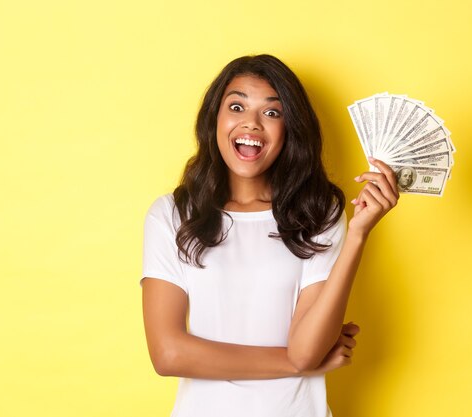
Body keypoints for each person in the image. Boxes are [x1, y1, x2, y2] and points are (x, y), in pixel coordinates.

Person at [141, 54, 399, 417]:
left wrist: (357, 235)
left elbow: (307, 350)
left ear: (289, 129)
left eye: (272, 113)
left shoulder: (318, 213)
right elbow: (168, 354)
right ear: (214, 119)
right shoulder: (172, 214)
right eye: (236, 106)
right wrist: (293, 364)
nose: (252, 123)